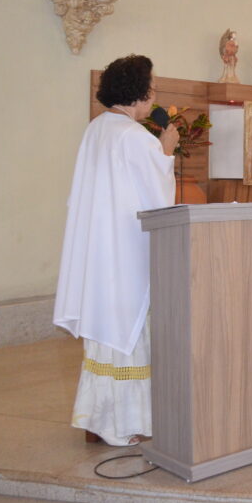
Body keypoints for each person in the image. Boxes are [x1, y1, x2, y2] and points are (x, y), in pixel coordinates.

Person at [52, 55, 178, 446]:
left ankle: (98, 418)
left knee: (106, 336)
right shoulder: (134, 137)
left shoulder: (98, 129)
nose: (153, 93)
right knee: (130, 332)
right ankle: (128, 424)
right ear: (138, 92)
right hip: (127, 256)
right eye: (151, 86)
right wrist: (167, 151)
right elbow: (156, 200)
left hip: (100, 253)